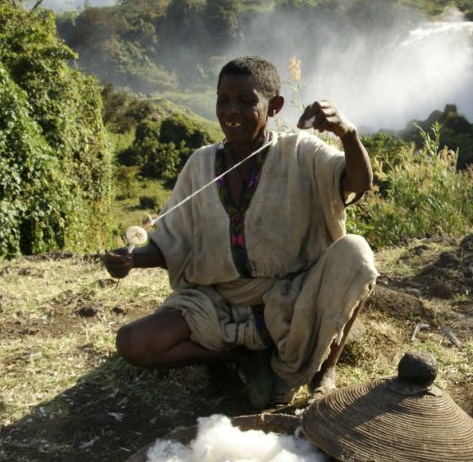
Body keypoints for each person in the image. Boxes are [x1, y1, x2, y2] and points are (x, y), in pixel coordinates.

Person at [102, 55, 378, 409]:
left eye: (246, 102)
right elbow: (173, 238)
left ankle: (324, 370)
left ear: (274, 106)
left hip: (291, 299)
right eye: (224, 100)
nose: (231, 111)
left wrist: (348, 133)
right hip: (219, 303)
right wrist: (131, 260)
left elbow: (358, 182)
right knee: (133, 343)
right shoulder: (201, 163)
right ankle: (239, 355)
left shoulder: (300, 152)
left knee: (356, 254)